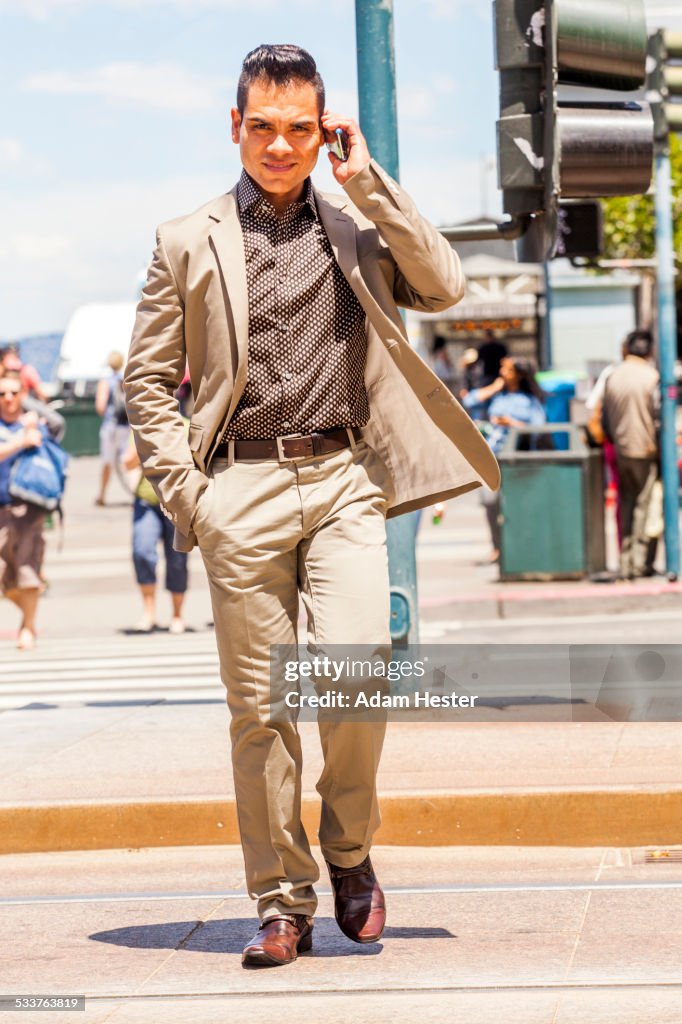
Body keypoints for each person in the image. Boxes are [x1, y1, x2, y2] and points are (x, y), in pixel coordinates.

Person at [125, 43, 498, 968]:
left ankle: (350, 850)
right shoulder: (186, 237)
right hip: (237, 486)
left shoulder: (356, 218)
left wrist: (369, 182)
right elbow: (144, 379)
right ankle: (282, 900)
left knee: (355, 677)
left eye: (300, 130)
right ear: (236, 125)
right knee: (259, 711)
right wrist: (191, 495)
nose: (281, 147)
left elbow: (445, 286)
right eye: (264, 128)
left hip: (343, 481)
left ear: (322, 128)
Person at [462, 356, 546, 563]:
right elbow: (468, 401)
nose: (502, 373)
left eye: (507, 370)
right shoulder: (497, 396)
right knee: (491, 502)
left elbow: (538, 429)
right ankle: (498, 547)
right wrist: (493, 387)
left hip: (517, 460)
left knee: (518, 505)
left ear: (519, 374)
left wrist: (512, 423)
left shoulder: (530, 401)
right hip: (492, 457)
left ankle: (520, 546)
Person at [602, 330, 660, 579]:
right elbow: (658, 418)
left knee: (626, 506)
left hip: (621, 449)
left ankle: (625, 562)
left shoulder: (613, 375)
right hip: (645, 449)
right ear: (649, 350)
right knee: (644, 507)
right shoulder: (652, 376)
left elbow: (604, 419)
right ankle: (639, 563)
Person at [123, 419, 190, 635]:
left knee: (177, 559)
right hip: (146, 500)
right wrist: (146, 442)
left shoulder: (186, 425)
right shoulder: (142, 427)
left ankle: (177, 615)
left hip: (177, 500)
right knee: (142, 551)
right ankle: (149, 613)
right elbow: (128, 463)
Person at [0, 371, 49, 650]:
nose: (7, 399)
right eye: (2, 393)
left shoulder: (36, 423)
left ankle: (28, 627)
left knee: (28, 571)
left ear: (23, 396)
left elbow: (58, 426)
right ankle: (28, 618)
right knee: (5, 577)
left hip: (29, 509)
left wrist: (33, 421)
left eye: (14, 393)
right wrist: (21, 440)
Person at [95, 351, 129, 507]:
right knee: (126, 461)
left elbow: (100, 407)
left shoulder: (106, 381)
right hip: (125, 426)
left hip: (111, 426)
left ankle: (102, 494)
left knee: (107, 462)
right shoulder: (125, 380)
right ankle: (135, 492)